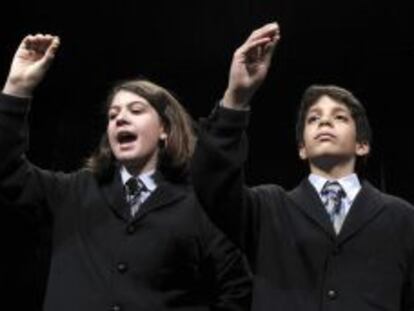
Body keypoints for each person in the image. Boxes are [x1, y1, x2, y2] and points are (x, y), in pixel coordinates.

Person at [0, 34, 252, 311]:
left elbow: (237, 289)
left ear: (164, 130)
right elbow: (7, 168)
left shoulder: (199, 205)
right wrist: (16, 88)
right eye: (113, 115)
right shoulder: (73, 191)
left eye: (136, 110)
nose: (120, 118)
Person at [191, 22, 414, 311]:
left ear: (362, 145)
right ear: (301, 148)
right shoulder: (268, 209)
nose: (324, 122)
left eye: (340, 118)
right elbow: (210, 182)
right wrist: (236, 98)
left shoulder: (403, 218)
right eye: (313, 118)